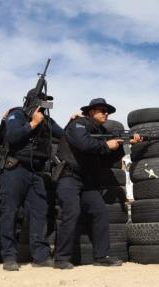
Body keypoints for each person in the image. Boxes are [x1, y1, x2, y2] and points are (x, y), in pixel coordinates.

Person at [54, 98, 141, 269]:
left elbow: (106, 159)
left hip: (86, 180)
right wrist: (106, 145)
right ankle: (61, 258)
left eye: (107, 111)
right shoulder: (77, 124)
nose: (106, 113)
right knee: (71, 212)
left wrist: (124, 145)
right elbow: (84, 144)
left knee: (100, 211)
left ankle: (101, 256)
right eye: (102, 110)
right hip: (68, 176)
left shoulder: (100, 130)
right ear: (91, 111)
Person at [0, 91, 64, 271]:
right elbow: (12, 136)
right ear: (32, 101)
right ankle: (10, 257)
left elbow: (64, 135)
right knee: (10, 212)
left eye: (47, 102)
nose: (45, 104)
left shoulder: (47, 121)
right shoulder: (17, 114)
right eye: (42, 101)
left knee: (39, 213)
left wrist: (74, 121)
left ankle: (41, 257)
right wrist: (32, 124)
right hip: (14, 169)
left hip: (36, 172)